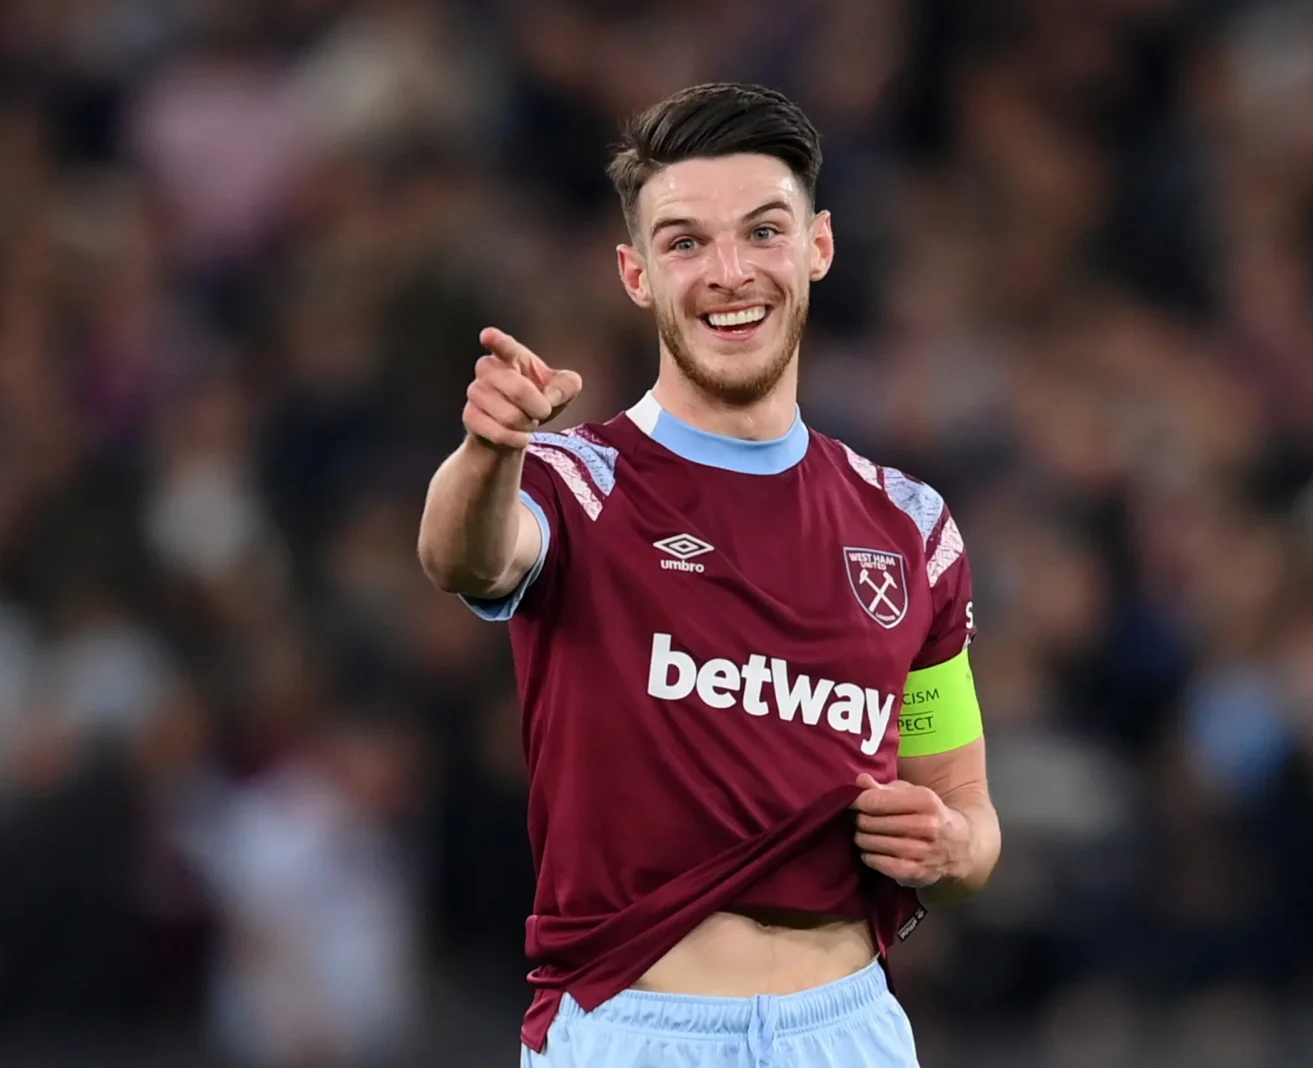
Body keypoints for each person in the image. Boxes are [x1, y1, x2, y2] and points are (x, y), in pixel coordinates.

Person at [417, 82, 1000, 1068]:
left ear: (817, 246)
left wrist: (953, 851)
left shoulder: (911, 527)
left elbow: (967, 812)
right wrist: (488, 450)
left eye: (763, 232)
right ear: (636, 273)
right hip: (636, 1031)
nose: (730, 273)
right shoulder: (572, 482)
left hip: (848, 1031)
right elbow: (461, 555)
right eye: (685, 242)